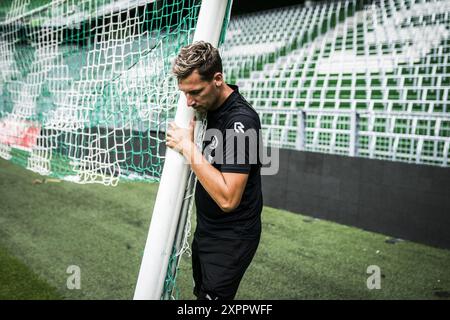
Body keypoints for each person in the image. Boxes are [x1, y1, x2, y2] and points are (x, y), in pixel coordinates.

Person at [166, 41, 263, 300]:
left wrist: (188, 148)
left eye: (195, 91)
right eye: (184, 93)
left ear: (218, 79)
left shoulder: (241, 122)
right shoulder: (209, 109)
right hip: (207, 229)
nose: (189, 102)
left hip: (231, 239)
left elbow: (228, 198)